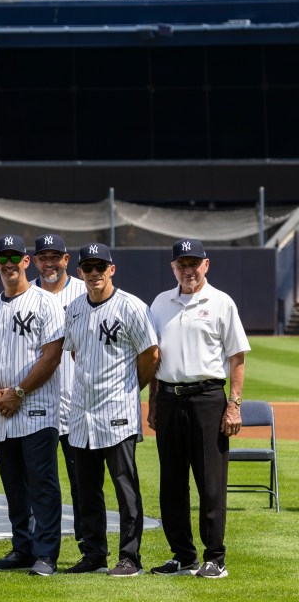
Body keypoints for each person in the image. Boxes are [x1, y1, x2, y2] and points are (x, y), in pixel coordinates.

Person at [147, 238, 249, 579]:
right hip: (168, 397)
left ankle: (215, 557)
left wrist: (233, 405)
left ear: (206, 264)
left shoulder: (221, 302)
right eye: (181, 263)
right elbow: (153, 359)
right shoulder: (160, 303)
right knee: (171, 481)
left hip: (207, 397)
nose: (188, 269)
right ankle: (182, 554)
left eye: (194, 263)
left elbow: (237, 357)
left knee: (210, 480)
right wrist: (152, 404)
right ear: (173, 267)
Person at [63, 243, 159, 576]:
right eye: (88, 268)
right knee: (87, 491)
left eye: (100, 267)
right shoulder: (74, 308)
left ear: (111, 269)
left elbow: (151, 355)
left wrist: (130, 388)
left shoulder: (131, 306)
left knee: (125, 488)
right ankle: (93, 554)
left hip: (118, 413)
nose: (94, 274)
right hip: (81, 415)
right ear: (79, 272)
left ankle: (130, 557)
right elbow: (76, 353)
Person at [0, 235, 64, 577]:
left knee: (42, 484)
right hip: (2, 415)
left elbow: (52, 355)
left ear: (27, 262)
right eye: (4, 258)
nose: (10, 264)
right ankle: (22, 548)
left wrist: (19, 392)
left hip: (38, 409)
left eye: (16, 257)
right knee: (14, 487)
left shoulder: (45, 302)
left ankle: (46, 554)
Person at [31, 233, 87, 557]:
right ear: (34, 261)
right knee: (38, 483)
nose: (49, 262)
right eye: (43, 257)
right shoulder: (25, 295)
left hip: (77, 403)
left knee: (82, 482)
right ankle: (36, 547)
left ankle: (88, 547)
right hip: (37, 404)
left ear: (67, 260)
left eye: (56, 256)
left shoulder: (83, 293)